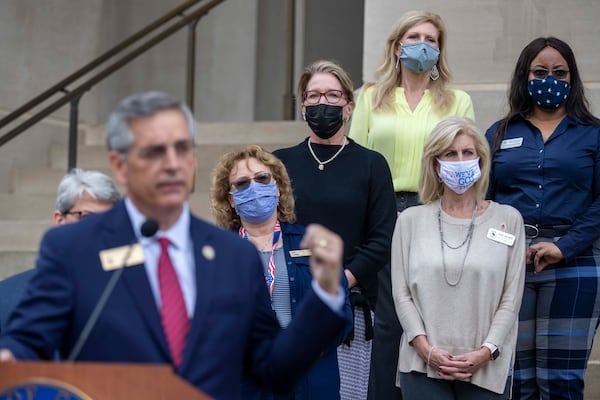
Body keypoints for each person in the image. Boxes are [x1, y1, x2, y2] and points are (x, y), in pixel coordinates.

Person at [0, 91, 349, 400]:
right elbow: (27, 343)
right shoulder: (73, 248)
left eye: (181, 148)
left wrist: (326, 294)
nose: (171, 163)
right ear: (120, 167)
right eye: (154, 151)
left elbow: (273, 369)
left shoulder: (232, 256)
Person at [347, 10, 475, 399]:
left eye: (432, 39)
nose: (424, 44)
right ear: (398, 46)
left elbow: (465, 161)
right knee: (388, 321)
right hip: (383, 214)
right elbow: (357, 160)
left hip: (439, 213)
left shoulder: (457, 100)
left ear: (440, 50)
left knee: (432, 319)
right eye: (415, 36)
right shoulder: (370, 97)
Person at [273, 60, 397, 400]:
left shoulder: (371, 164)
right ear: (302, 106)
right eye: (313, 96)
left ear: (349, 105)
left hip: (350, 307)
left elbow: (382, 237)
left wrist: (340, 281)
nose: (321, 103)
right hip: (289, 300)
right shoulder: (279, 163)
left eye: (332, 94)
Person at [486, 37, 600, 400]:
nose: (549, 79)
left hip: (576, 262)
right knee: (514, 377)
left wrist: (564, 247)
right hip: (510, 261)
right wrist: (510, 245)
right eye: (540, 72)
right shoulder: (499, 133)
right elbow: (483, 201)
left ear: (572, 78)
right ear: (525, 75)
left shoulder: (593, 134)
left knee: (562, 380)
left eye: (559, 72)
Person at [393, 116, 525, 399]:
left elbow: (511, 298)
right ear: (435, 163)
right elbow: (401, 293)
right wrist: (426, 350)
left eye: (468, 153)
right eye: (450, 154)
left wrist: (485, 351)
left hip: (486, 366)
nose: (460, 160)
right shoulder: (410, 221)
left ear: (481, 159)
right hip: (421, 365)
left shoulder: (508, 219)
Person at [210, 144, 353, 399]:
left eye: (262, 178)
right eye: (242, 183)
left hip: (311, 381)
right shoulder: (217, 256)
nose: (253, 187)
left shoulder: (311, 245)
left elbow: (340, 315)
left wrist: (299, 350)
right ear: (231, 199)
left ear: (277, 186)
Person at [0, 168, 121, 333]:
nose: (99, 229)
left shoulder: (130, 294)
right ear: (60, 220)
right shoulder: (8, 297)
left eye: (109, 220)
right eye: (87, 217)